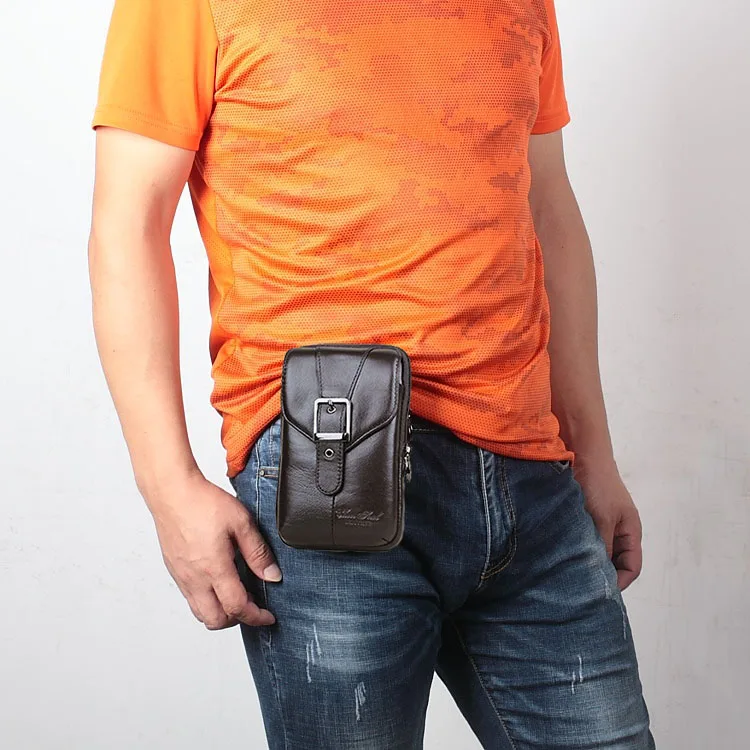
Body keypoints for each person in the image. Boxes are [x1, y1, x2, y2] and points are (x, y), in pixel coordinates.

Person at [88, 0, 656, 747]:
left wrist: (594, 454)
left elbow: (547, 207)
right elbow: (128, 224)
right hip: (329, 465)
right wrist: (168, 488)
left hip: (530, 475)